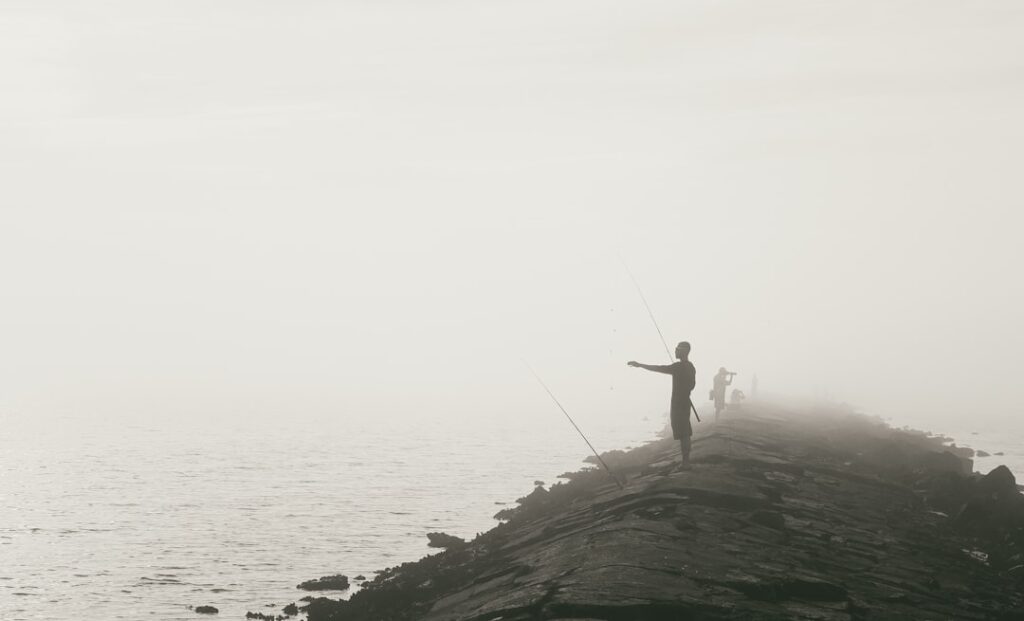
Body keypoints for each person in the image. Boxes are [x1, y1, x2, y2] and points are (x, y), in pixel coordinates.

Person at [628, 341, 697, 468]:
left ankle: (686, 463)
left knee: (683, 433)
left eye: (677, 349)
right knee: (685, 432)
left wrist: (640, 365)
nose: (675, 351)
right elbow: (692, 385)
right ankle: (685, 461)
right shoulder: (691, 367)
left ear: (684, 351)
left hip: (678, 403)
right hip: (685, 402)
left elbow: (659, 368)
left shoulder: (678, 367)